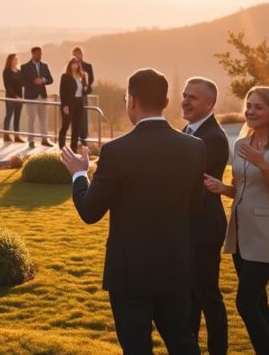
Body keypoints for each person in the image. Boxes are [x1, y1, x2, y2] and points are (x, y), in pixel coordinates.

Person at [60, 68, 205, 355]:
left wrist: (79, 174)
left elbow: (90, 211)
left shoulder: (116, 151)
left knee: (136, 349)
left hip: (129, 272)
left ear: (132, 101)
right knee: (183, 344)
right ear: (165, 102)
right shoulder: (194, 147)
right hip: (175, 265)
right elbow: (195, 208)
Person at [204, 86, 269, 355]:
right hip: (240, 233)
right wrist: (223, 188)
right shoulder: (241, 144)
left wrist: (264, 165)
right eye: (249, 106)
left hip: (265, 235)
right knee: (259, 303)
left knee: (245, 304)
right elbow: (242, 189)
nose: (251, 111)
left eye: (258, 107)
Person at [178, 78, 230, 355]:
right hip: (187, 228)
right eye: (185, 95)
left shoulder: (214, 138)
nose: (185, 101)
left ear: (209, 103)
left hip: (205, 228)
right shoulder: (187, 130)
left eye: (193, 97)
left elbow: (183, 173)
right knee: (189, 298)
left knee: (208, 297)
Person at [19, 46, 54, 148]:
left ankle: (44, 139)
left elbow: (50, 79)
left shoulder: (44, 66)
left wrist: (43, 80)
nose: (40, 55)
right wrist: (33, 82)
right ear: (33, 54)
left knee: (43, 119)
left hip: (42, 96)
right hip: (31, 97)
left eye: (41, 54)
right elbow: (21, 82)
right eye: (38, 54)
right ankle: (31, 140)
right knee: (31, 119)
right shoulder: (25, 67)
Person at [58, 57, 87, 150]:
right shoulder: (65, 76)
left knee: (76, 127)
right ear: (70, 65)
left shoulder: (82, 76)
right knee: (65, 126)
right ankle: (62, 148)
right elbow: (62, 92)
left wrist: (86, 88)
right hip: (69, 103)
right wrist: (65, 105)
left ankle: (73, 148)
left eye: (77, 63)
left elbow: (85, 89)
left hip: (79, 103)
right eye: (73, 63)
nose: (75, 65)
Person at [72, 46, 94, 143]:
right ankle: (75, 136)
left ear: (81, 54)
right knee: (75, 116)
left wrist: (85, 86)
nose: (76, 56)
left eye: (78, 54)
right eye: (75, 54)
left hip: (83, 95)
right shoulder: (71, 67)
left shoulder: (88, 66)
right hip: (74, 96)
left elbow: (91, 79)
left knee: (84, 115)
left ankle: (84, 137)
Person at [2, 53, 25, 143]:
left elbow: (22, 84)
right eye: (15, 59)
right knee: (9, 116)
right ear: (10, 60)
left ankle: (17, 136)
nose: (16, 60)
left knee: (17, 117)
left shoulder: (19, 72)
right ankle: (6, 135)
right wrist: (15, 96)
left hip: (20, 98)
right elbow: (7, 86)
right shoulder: (7, 71)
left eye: (17, 59)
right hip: (11, 98)